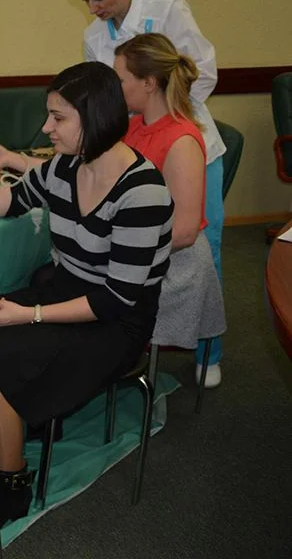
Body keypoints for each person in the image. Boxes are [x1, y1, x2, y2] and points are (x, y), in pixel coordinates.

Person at [0, 62, 174, 534]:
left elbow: (115, 299)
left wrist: (28, 314)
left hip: (116, 323)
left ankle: (10, 482)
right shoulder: (63, 168)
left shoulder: (143, 191)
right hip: (64, 294)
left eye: (58, 117)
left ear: (95, 118)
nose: (47, 128)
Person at [70, 0, 226, 369]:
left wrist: (164, 121)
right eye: (86, 1)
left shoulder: (169, 9)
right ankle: (139, 339)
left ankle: (208, 353)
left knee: (203, 250)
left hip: (186, 142)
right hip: (140, 142)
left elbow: (202, 73)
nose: (94, 8)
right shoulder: (93, 36)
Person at [114, 32, 226, 386]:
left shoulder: (181, 140)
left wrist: (118, 250)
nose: (115, 88)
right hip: (146, 249)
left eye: (120, 79)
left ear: (148, 83)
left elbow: (185, 232)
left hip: (175, 263)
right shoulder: (134, 127)